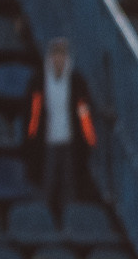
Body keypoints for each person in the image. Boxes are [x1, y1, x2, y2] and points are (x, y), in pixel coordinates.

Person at [24, 36, 96, 212]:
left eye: (62, 55)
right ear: (50, 57)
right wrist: (31, 138)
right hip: (46, 143)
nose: (59, 59)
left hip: (70, 143)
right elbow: (32, 115)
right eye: (55, 55)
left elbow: (84, 114)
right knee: (45, 187)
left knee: (69, 189)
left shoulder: (77, 82)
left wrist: (90, 139)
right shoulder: (38, 82)